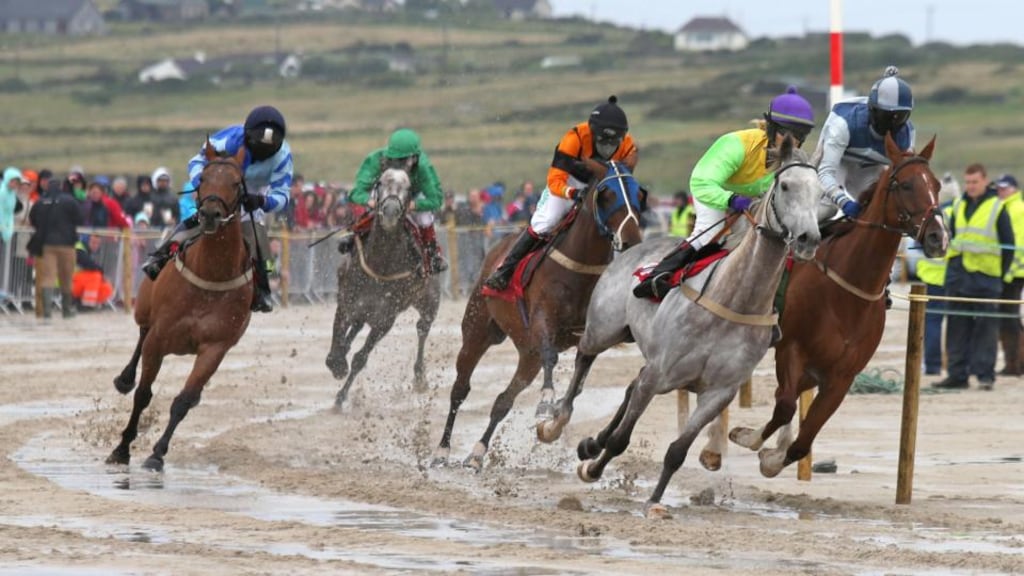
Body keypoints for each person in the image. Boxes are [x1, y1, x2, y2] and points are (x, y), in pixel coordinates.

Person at [632, 86, 815, 300]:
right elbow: (702, 182)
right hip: (711, 189)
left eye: (800, 136)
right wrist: (730, 199)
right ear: (772, 129)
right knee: (710, 231)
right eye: (787, 134)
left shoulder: (793, 160)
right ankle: (657, 276)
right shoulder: (737, 145)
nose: (791, 143)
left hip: (748, 200)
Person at [140, 105, 294, 313]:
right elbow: (196, 161)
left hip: (254, 192)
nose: (262, 154)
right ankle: (160, 255)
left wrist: (261, 202)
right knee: (200, 219)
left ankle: (262, 289)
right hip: (220, 186)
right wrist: (202, 184)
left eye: (268, 151)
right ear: (247, 137)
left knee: (257, 236)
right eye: (258, 148)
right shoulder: (230, 138)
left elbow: (283, 195)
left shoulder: (283, 157)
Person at [483, 95, 639, 290]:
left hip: (601, 182)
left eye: (613, 142)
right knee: (546, 221)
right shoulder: (573, 139)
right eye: (603, 141)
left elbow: (629, 163)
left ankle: (629, 274)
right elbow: (554, 180)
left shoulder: (626, 142)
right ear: (592, 132)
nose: (607, 147)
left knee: (619, 219)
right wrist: (572, 193)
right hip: (568, 181)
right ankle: (505, 270)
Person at [932, 164, 1015, 391]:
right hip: (959, 278)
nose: (970, 186)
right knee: (956, 329)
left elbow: (1009, 246)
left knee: (986, 331)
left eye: (974, 182)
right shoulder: (958, 205)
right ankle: (957, 375)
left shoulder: (997, 207)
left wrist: (999, 274)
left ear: (985, 181)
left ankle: (984, 376)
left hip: (986, 279)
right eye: (967, 182)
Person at [341, 128, 447, 276]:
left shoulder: (423, 167)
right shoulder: (375, 160)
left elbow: (436, 200)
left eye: (403, 161)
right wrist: (369, 201)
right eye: (394, 160)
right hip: (383, 193)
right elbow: (355, 193)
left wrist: (414, 205)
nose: (398, 164)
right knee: (366, 209)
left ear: (414, 158)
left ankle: (432, 253)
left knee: (424, 217)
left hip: (411, 196)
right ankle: (353, 238)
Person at [816, 65, 915, 219]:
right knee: (828, 208)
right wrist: (843, 201)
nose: (892, 124)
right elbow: (825, 172)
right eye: (886, 116)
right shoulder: (843, 125)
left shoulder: (907, 136)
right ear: (873, 111)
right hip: (839, 161)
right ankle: (794, 240)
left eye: (900, 116)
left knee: (882, 210)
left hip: (869, 168)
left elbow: (905, 178)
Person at [915, 175, 958, 375]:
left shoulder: (931, 214)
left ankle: (932, 365)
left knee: (932, 321)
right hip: (950, 274)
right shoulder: (955, 211)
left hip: (930, 275)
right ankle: (951, 363)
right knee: (955, 322)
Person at [30, 179, 83, 319]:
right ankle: (66, 311)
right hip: (67, 244)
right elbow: (80, 219)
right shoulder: (69, 200)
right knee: (66, 278)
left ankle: (47, 313)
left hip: (47, 245)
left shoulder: (41, 201)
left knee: (48, 277)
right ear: (60, 187)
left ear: (48, 187)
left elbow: (32, 219)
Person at [994, 174, 1024, 376]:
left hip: (1015, 273)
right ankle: (1011, 362)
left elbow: (1015, 245)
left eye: (1005, 188)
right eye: (999, 188)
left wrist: (1007, 272)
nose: (1000, 191)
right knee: (1007, 318)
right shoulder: (1004, 207)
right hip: (1008, 272)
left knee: (1010, 319)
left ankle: (1016, 364)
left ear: (1014, 189)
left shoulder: (1017, 208)